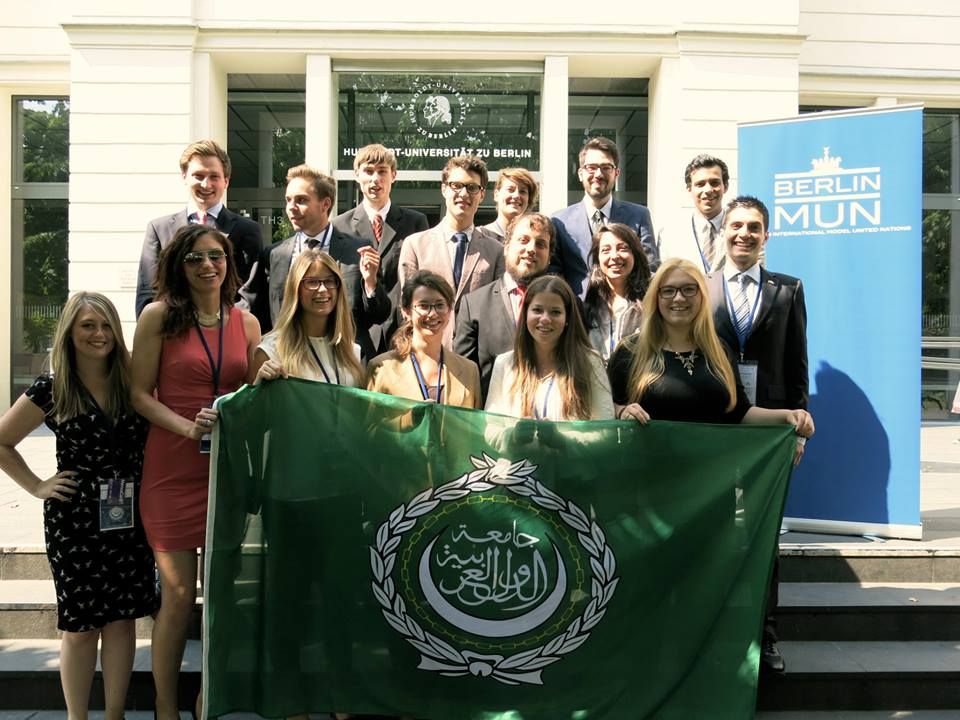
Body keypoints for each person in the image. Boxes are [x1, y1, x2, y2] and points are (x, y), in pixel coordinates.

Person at [0, 292, 158, 720]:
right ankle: (78, 716)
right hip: (74, 520)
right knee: (81, 625)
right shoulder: (52, 388)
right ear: (70, 331)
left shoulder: (134, 381)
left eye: (106, 325)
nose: (99, 334)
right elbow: (2, 441)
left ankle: (114, 714)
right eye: (88, 325)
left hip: (129, 517)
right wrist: (37, 485)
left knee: (122, 621)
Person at [131, 223, 261, 720]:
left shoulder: (246, 322)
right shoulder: (158, 316)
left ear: (229, 263)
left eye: (216, 256)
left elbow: (253, 393)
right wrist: (186, 427)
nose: (208, 265)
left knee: (222, 595)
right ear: (178, 266)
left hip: (225, 469)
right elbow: (139, 394)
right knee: (180, 594)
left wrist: (267, 375)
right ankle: (165, 705)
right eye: (195, 258)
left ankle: (210, 697)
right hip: (171, 467)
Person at [708, 195, 809, 674]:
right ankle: (716, 630)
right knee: (716, 533)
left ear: (766, 235)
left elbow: (797, 364)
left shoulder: (788, 290)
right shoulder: (701, 287)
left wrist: (799, 430)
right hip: (715, 427)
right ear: (723, 231)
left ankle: (765, 638)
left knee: (763, 535)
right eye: (736, 225)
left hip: (768, 434)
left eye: (754, 227)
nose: (744, 234)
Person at [607, 257, 813, 437]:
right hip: (650, 467)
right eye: (668, 291)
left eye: (689, 289)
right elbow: (603, 409)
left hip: (712, 469)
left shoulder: (719, 350)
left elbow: (740, 413)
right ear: (656, 298)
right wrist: (621, 411)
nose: (679, 298)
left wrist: (788, 415)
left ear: (702, 296)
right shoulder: (630, 351)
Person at [246, 164, 390, 361]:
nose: (291, 207)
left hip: (344, 360)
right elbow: (257, 310)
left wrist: (371, 283)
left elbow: (379, 314)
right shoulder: (274, 255)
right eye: (288, 200)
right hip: (289, 361)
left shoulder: (357, 250)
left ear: (325, 204)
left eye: (301, 200)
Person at [136, 139, 262, 317]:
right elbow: (148, 292)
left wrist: (220, 325)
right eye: (198, 176)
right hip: (173, 326)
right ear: (184, 177)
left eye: (214, 177)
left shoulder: (247, 230)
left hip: (226, 328)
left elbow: (250, 292)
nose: (206, 184)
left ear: (226, 181)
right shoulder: (159, 229)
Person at [398, 155, 504, 347]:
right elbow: (408, 307)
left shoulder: (496, 251)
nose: (464, 193)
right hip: (428, 351)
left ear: (482, 195)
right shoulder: (415, 245)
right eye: (456, 185)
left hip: (476, 354)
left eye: (472, 187)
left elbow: (497, 311)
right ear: (444, 189)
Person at [455, 212, 555, 400]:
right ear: (506, 247)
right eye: (523, 240)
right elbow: (463, 378)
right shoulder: (474, 305)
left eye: (541, 244)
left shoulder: (566, 306)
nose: (531, 249)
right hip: (492, 414)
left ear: (549, 257)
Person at [486, 275, 613, 420]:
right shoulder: (504, 364)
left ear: (567, 318)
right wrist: (515, 432)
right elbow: (491, 426)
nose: (545, 319)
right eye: (537, 310)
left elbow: (604, 427)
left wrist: (559, 434)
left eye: (555, 312)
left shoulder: (590, 362)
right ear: (525, 313)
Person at [551, 136, 658, 296]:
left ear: (616, 173)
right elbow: (555, 276)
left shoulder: (639, 216)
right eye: (591, 167)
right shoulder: (560, 222)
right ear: (580, 174)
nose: (598, 174)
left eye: (606, 167)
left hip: (627, 307)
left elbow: (650, 269)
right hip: (578, 309)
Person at [367, 271, 481, 408]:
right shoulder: (381, 368)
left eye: (440, 305)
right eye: (423, 306)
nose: (432, 314)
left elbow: (475, 421)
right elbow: (371, 420)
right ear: (406, 311)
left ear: (450, 310)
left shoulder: (469, 371)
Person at [251, 249, 364, 387]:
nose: (323, 289)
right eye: (312, 282)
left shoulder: (351, 351)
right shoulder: (272, 351)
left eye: (329, 281)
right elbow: (253, 399)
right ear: (296, 289)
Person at [583, 223, 651, 363]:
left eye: (622, 248)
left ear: (635, 254)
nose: (614, 256)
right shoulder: (587, 304)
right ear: (597, 258)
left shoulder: (651, 301)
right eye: (606, 250)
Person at [657, 154, 731, 273]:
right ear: (689, 189)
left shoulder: (741, 230)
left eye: (714, 183)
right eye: (700, 184)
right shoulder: (669, 234)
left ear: (725, 186)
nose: (708, 190)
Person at [482, 167, 539, 242]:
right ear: (496, 195)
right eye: (510, 190)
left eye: (522, 191)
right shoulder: (480, 236)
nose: (516, 195)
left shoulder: (534, 240)